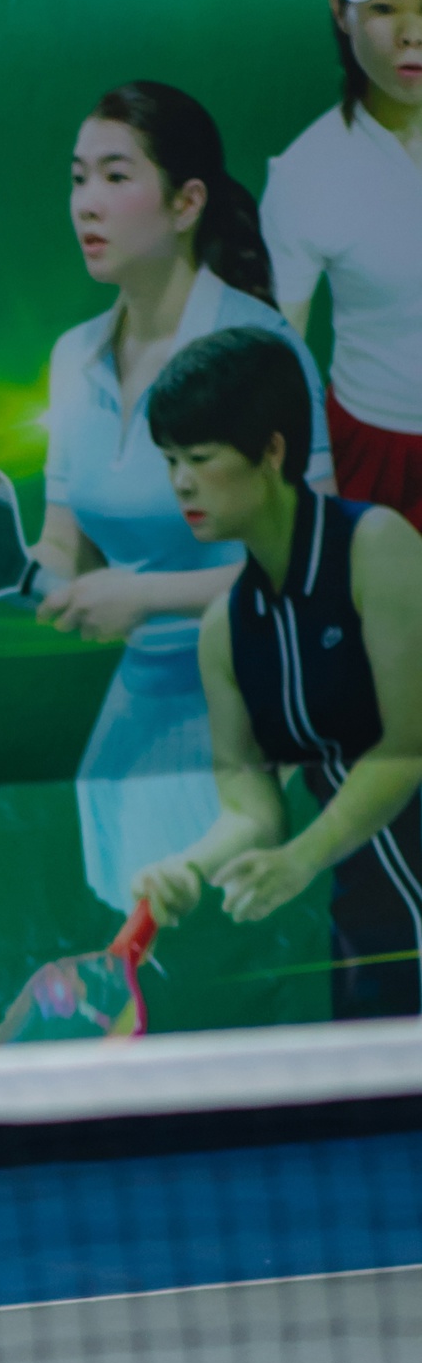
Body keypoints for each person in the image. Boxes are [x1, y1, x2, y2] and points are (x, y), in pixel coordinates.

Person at [0, 81, 329, 912]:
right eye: (76, 179)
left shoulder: (259, 350)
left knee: (237, 938)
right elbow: (64, 549)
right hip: (140, 706)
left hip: (267, 697)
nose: (85, 204)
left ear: (186, 203)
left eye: (114, 175)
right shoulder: (74, 357)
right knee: (124, 919)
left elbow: (314, 568)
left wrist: (144, 596)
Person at [134, 327, 422, 1021]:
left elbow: (408, 745)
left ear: (271, 450)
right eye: (170, 460)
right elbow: (252, 807)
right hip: (370, 926)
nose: (180, 482)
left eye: (200, 458)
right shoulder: (224, 631)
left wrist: (301, 858)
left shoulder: (375, 545)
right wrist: (188, 869)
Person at [262, 0, 422, 525]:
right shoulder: (306, 175)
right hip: (376, 450)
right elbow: (280, 355)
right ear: (340, 12)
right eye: (384, 7)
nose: (411, 33)